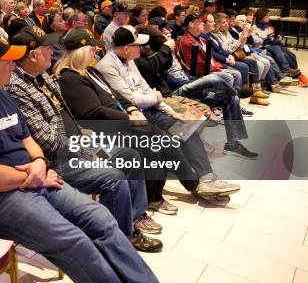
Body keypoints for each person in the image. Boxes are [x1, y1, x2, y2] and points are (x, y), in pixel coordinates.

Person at [0, 33, 159, 283]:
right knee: (73, 240)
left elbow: (28, 139)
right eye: (7, 62)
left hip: (35, 178)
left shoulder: (0, 94)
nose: (13, 65)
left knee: (101, 219)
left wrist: (40, 164)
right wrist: (32, 176)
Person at [8, 26, 162, 252]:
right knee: (116, 176)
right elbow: (48, 140)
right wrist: (86, 151)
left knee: (130, 156)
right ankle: (118, 240)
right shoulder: (16, 87)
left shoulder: (42, 76)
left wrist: (89, 145)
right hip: (59, 160)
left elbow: (69, 120)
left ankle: (131, 219)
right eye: (47, 48)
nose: (53, 51)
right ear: (32, 55)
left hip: (80, 146)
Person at [97, 26, 242, 203]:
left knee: (186, 126)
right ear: (126, 48)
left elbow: (144, 88)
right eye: (137, 45)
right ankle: (196, 185)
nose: (141, 48)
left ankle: (207, 179)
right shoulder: (107, 66)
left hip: (150, 108)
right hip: (133, 116)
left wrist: (172, 112)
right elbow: (133, 99)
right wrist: (154, 97)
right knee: (170, 141)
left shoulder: (129, 59)